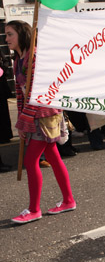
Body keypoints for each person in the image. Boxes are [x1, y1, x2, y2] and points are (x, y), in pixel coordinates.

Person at [5, 20, 76, 224]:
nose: (6, 38)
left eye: (10, 34)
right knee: (53, 157)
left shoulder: (35, 56)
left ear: (21, 34)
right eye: (6, 34)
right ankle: (68, 200)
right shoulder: (18, 59)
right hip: (33, 114)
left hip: (44, 114)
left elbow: (41, 93)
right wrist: (21, 119)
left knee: (30, 160)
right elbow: (20, 93)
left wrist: (25, 122)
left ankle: (34, 209)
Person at [0, 52, 13, 144]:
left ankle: (5, 135)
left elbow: (5, 61)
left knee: (3, 110)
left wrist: (2, 70)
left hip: (1, 85)